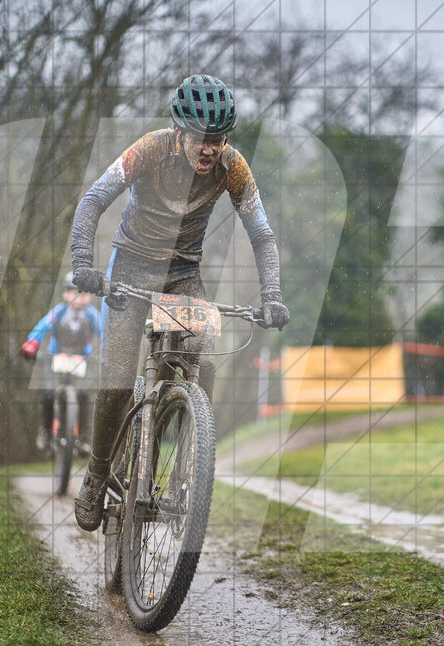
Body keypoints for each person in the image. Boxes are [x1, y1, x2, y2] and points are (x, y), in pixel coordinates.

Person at [68, 74, 290, 531]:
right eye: (201, 139)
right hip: (131, 266)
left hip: (183, 274)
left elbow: (262, 234)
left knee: (203, 360)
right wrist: (84, 264)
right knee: (116, 382)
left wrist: (272, 295)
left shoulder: (232, 166)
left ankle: (188, 469)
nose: (210, 149)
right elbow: (92, 201)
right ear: (179, 131)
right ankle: (97, 474)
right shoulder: (151, 149)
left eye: (219, 139)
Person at [20, 272, 102, 451]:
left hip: (82, 360)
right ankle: (45, 431)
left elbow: (104, 332)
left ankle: (84, 438)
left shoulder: (92, 315)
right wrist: (32, 343)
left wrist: (110, 351)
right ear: (65, 294)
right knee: (49, 393)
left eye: (84, 293)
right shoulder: (58, 312)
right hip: (56, 358)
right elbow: (42, 327)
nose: (80, 297)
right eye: (75, 292)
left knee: (84, 395)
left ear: (90, 296)